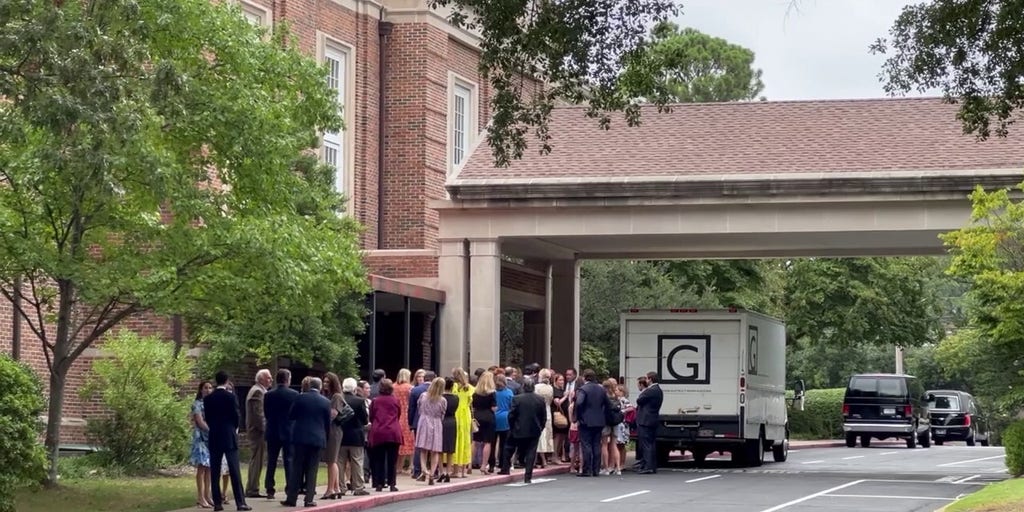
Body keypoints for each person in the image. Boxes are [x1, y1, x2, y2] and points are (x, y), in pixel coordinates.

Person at [204, 371, 251, 511]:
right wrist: (233, 428)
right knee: (234, 470)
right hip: (229, 435)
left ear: (216, 381)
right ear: (226, 381)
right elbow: (236, 416)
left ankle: (217, 503)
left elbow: (208, 417)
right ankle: (240, 502)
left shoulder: (208, 399)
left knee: (215, 471)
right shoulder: (231, 397)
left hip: (215, 435)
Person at [282, 377, 331, 508]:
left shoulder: (300, 398)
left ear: (309, 386)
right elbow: (327, 423)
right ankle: (309, 499)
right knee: (312, 469)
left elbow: (291, 415)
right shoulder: (326, 402)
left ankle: (291, 498)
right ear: (320, 387)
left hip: (300, 437)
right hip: (317, 438)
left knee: (297, 467)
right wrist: (326, 437)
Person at [500, 380, 546, 483]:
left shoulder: (517, 399)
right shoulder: (540, 399)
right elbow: (543, 416)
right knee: (531, 452)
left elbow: (511, 415)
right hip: (534, 430)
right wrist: (540, 428)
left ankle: (505, 468)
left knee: (509, 448)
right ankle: (528, 476)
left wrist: (512, 427)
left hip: (517, 428)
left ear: (523, 386)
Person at [263, 369, 297, 500]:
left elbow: (266, 413)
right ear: (287, 379)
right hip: (288, 431)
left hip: (273, 430)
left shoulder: (268, 394)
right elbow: (295, 413)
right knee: (289, 460)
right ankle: (289, 488)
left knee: (271, 460)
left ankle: (269, 488)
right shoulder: (294, 394)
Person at [574, 369, 611, 478]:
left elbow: (579, 403)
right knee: (596, 444)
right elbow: (608, 404)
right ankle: (596, 469)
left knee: (586, 445)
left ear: (584, 377)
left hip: (586, 420)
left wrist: (578, 416)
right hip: (599, 421)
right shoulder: (601, 389)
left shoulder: (583, 389)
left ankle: (587, 469)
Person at [368, 379, 402, 493]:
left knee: (379, 459)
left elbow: (371, 416)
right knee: (392, 460)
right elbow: (398, 414)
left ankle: (379, 483)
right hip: (393, 431)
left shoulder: (375, 401)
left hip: (379, 431)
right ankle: (392, 484)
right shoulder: (396, 400)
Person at [339, 377, 370, 496]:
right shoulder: (359, 401)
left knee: (340, 462)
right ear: (354, 388)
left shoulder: (339, 399)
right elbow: (364, 419)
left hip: (341, 435)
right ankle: (358, 487)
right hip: (356, 435)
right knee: (357, 461)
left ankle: (341, 487)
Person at [414, 377, 447, 485]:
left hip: (424, 421)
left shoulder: (423, 396)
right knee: (435, 450)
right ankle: (432, 474)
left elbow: (419, 408)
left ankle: (424, 469)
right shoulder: (442, 400)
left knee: (423, 448)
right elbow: (442, 413)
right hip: (436, 422)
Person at [245, 369, 271, 498]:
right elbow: (258, 415)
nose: (271, 380)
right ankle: (252, 489)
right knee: (257, 460)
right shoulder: (257, 391)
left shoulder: (259, 390)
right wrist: (265, 430)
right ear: (261, 379)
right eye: (268, 378)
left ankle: (253, 487)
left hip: (257, 431)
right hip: (257, 433)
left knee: (258, 460)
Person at [189, 381, 215, 509]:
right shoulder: (197, 404)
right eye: (206, 388)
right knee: (202, 467)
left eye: (210, 387)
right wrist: (212, 431)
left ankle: (207, 495)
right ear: (201, 390)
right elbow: (199, 421)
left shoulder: (213, 403)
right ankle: (200, 497)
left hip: (211, 439)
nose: (208, 390)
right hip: (201, 438)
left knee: (209, 467)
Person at [322, 372, 346, 500]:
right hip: (329, 430)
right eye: (324, 381)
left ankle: (330, 489)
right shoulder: (328, 396)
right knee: (331, 460)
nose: (325, 384)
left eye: (327, 382)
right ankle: (336, 488)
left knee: (332, 460)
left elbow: (333, 414)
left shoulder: (336, 396)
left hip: (334, 430)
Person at [634, 371, 664, 475]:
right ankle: (651, 465)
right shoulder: (658, 390)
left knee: (646, 444)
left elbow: (639, 400)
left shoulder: (651, 390)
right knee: (651, 443)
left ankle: (648, 466)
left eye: (647, 378)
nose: (646, 380)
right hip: (653, 419)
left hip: (646, 420)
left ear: (650, 379)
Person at [408, 369, 434, 479]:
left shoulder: (415, 390)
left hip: (418, 420)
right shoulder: (437, 390)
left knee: (419, 445)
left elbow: (411, 408)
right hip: (434, 421)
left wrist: (410, 422)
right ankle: (434, 470)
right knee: (434, 446)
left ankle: (417, 471)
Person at [471, 371, 498, 474]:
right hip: (488, 417)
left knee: (475, 441)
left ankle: (469, 464)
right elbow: (494, 408)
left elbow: (473, 406)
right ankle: (483, 465)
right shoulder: (492, 393)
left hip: (477, 416)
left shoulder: (475, 392)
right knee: (487, 442)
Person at [451, 368, 474, 478]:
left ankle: (455, 470)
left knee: (456, 441)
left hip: (456, 413)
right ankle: (463, 470)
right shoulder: (469, 388)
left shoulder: (454, 386)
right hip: (466, 415)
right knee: (465, 441)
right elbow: (470, 402)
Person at [440, 378, 460, 481]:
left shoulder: (441, 398)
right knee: (450, 449)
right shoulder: (456, 398)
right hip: (452, 421)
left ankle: (441, 471)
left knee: (440, 449)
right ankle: (448, 471)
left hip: (442, 421)